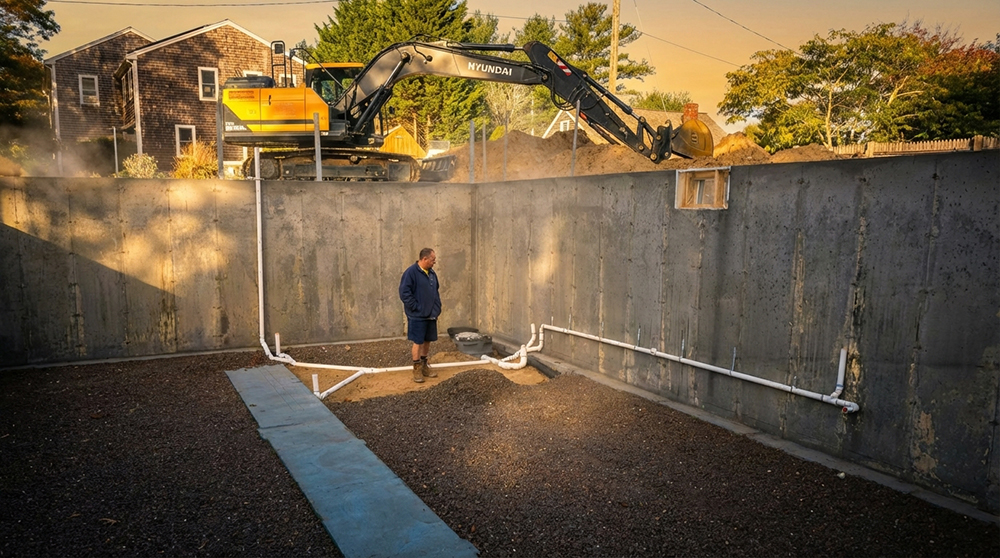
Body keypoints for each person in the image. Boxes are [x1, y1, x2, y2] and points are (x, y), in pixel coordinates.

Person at [399, 248, 441, 383]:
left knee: (427, 340)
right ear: (424, 259)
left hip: (431, 315)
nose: (434, 262)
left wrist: (437, 308)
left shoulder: (432, 274)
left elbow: (436, 291)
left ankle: (424, 365)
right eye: (432, 260)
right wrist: (417, 308)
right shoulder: (411, 273)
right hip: (417, 316)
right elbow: (404, 293)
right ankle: (416, 367)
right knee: (418, 341)